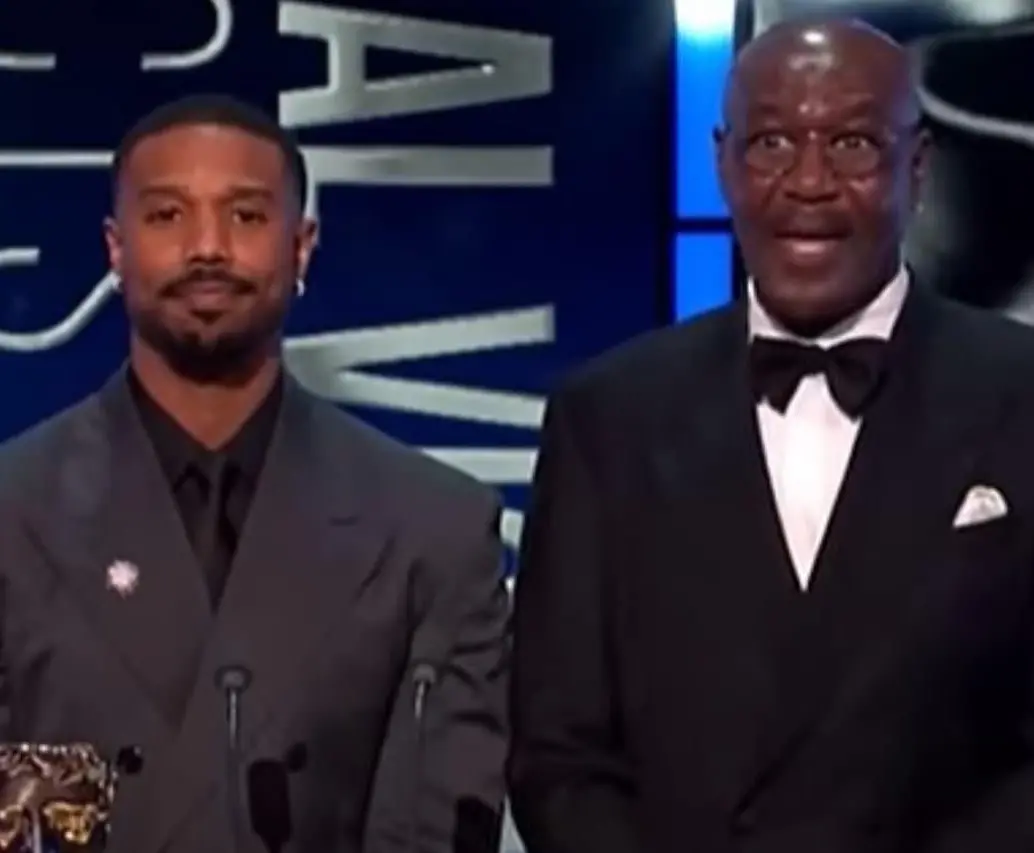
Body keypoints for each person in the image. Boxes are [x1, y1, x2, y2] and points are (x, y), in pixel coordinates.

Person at [508, 18, 1034, 853]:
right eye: (772, 143)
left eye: (854, 142)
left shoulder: (1021, 390)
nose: (810, 181)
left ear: (918, 166)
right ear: (722, 163)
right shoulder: (606, 417)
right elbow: (557, 750)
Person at [0, 94, 509, 853]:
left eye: (245, 216)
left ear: (302, 246)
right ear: (115, 248)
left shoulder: (434, 531)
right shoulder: (13, 511)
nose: (207, 248)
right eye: (168, 216)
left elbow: (437, 826)